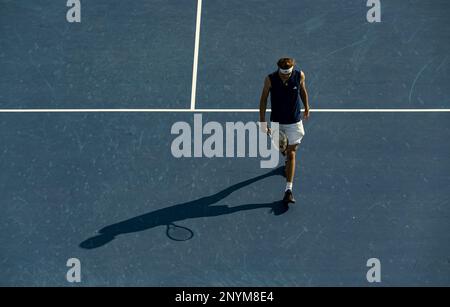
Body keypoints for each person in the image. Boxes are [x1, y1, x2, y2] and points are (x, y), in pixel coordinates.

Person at [259, 57, 310, 204]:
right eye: (283, 74)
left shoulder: (299, 75)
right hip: (277, 121)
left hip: (294, 122)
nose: (285, 76)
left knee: (291, 152)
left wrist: (307, 106)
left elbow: (303, 90)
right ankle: (286, 158)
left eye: (288, 74)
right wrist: (262, 120)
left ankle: (288, 190)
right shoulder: (270, 79)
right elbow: (263, 99)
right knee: (282, 149)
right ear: (279, 70)